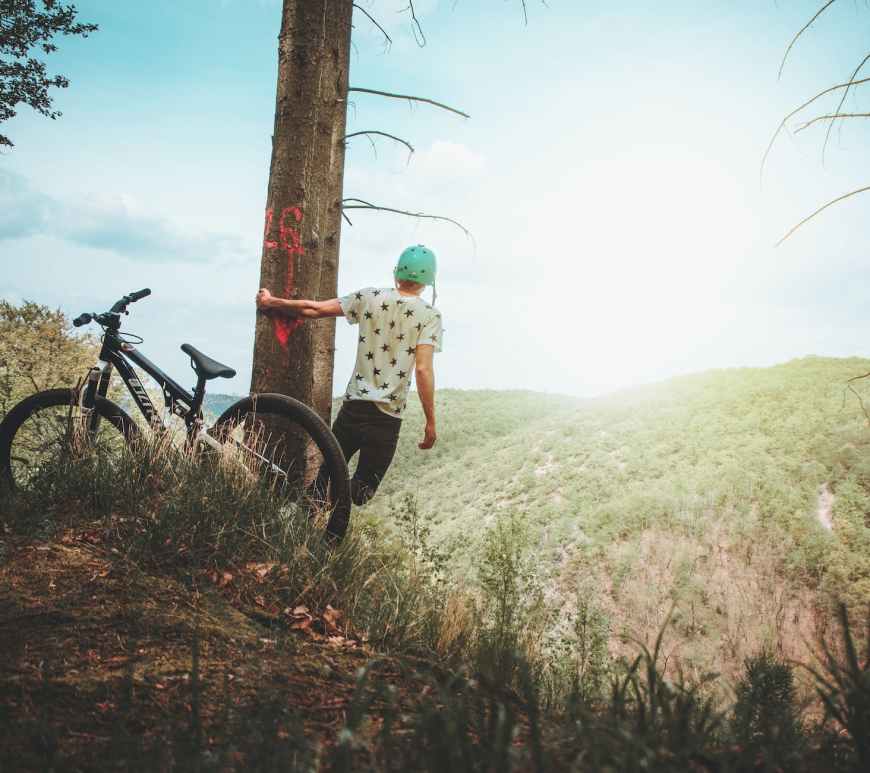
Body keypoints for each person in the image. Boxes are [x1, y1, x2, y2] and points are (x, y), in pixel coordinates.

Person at [255, 244, 443, 506]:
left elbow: (314, 309)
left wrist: (271, 302)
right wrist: (430, 422)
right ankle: (323, 520)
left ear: (396, 273)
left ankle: (303, 515)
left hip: (354, 408)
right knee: (362, 493)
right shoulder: (430, 316)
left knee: (324, 483)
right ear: (429, 281)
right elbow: (423, 369)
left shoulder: (369, 297)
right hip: (387, 418)